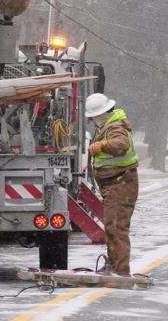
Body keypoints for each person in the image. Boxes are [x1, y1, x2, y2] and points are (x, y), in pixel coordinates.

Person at [85, 93, 138, 276]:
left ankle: (120, 271)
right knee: (112, 227)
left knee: (116, 227)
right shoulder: (110, 126)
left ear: (100, 114)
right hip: (116, 183)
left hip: (120, 183)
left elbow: (121, 144)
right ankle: (114, 266)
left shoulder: (115, 128)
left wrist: (101, 146)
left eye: (92, 117)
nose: (92, 121)